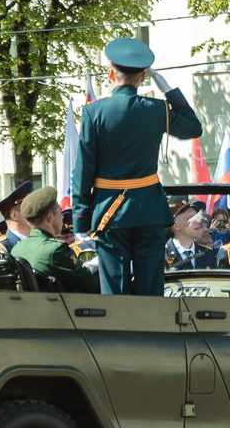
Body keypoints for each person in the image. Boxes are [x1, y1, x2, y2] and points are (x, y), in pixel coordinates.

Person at [75, 35, 201, 296]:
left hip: (109, 211)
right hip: (148, 210)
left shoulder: (93, 113)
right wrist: (168, 89)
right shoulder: (157, 109)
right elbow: (193, 127)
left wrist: (80, 219)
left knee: (115, 288)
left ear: (111, 74)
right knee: (149, 288)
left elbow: (83, 170)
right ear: (143, 77)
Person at [8, 186, 98, 292]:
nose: (62, 217)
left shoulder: (16, 249)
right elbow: (92, 285)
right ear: (50, 217)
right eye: (60, 212)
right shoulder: (56, 249)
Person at [164, 200, 222, 272]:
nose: (198, 221)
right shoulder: (162, 256)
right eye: (191, 218)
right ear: (176, 226)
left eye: (196, 217)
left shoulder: (208, 254)